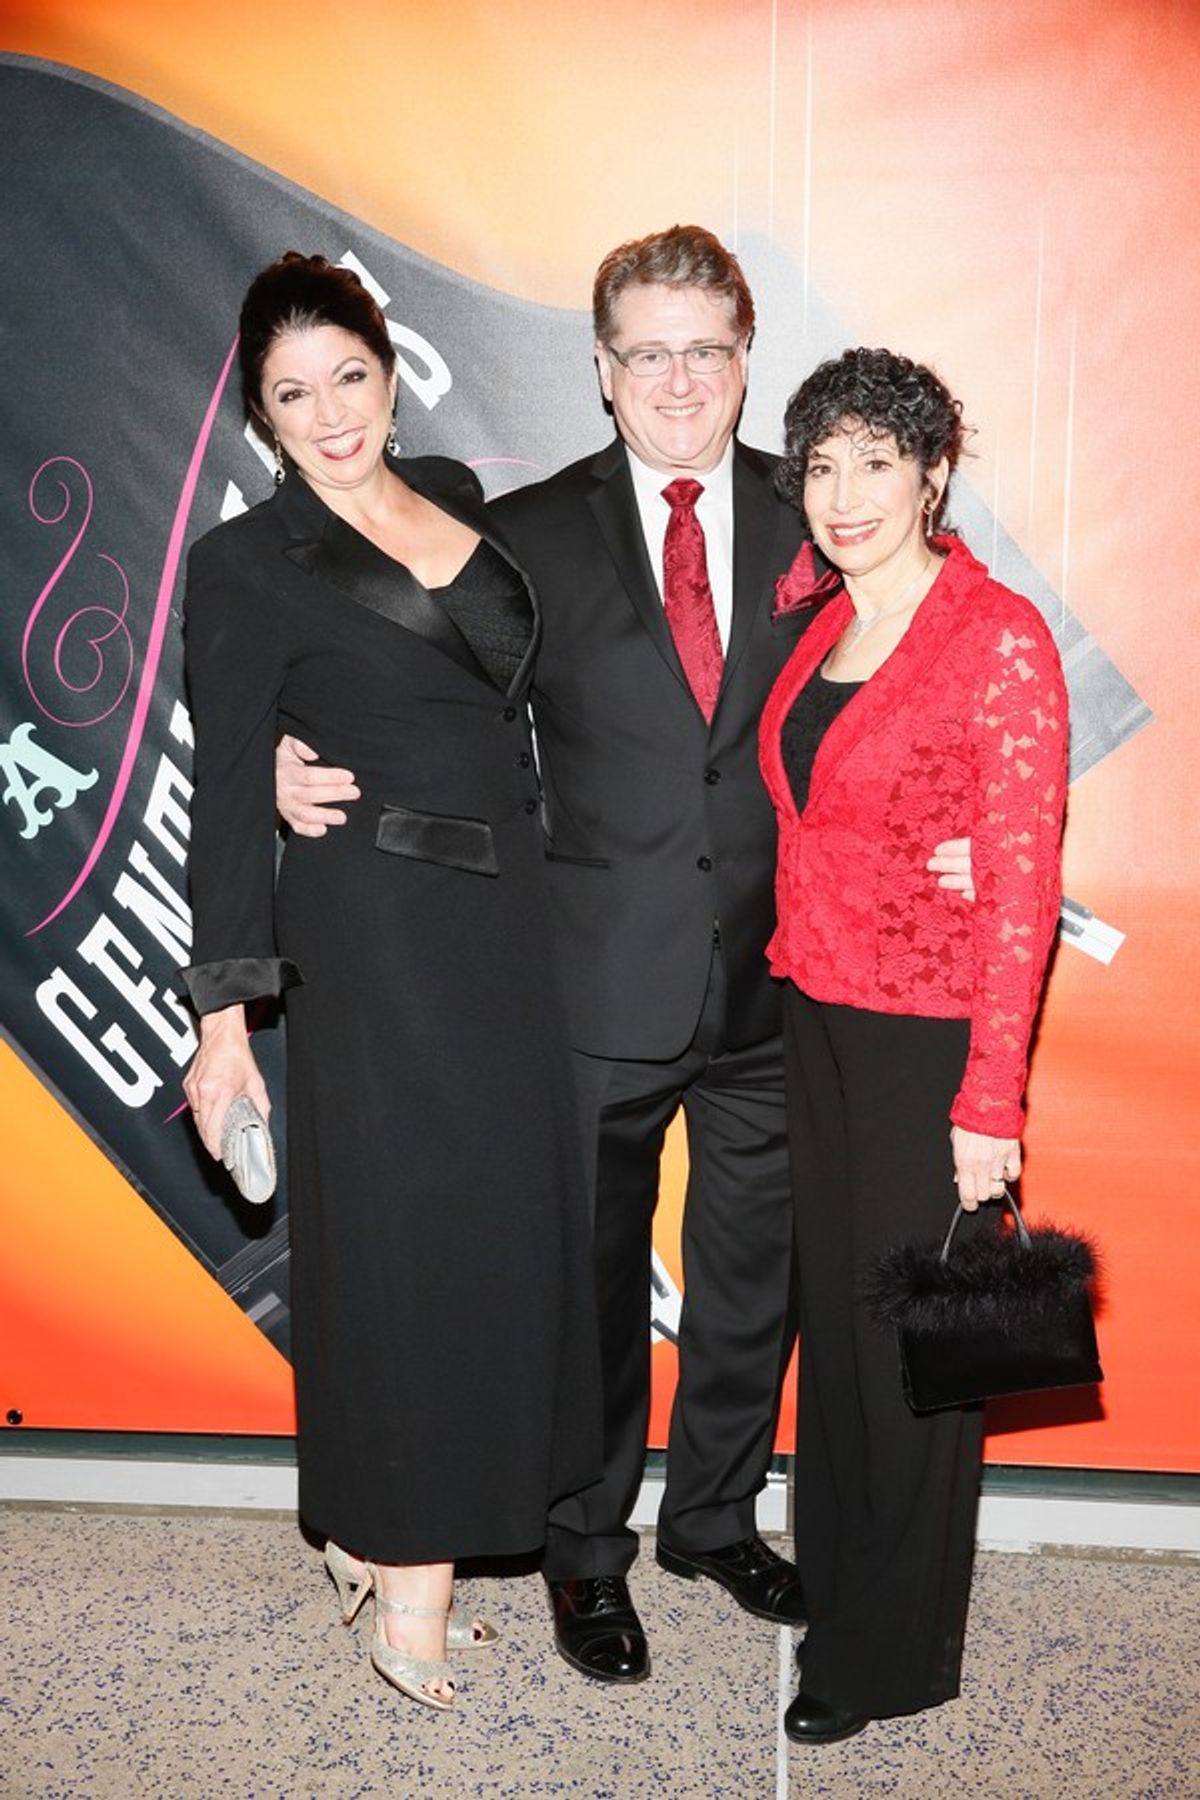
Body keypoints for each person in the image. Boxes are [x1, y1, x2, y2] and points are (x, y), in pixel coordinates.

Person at [276, 227, 976, 1685]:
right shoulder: (521, 534)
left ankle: (714, 1518)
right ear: (602, 369)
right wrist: (285, 754)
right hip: (588, 983)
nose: (678, 380)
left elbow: (947, 660)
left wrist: (970, 821)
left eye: (705, 350)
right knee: (586, 1290)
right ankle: (585, 1552)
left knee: (754, 1283)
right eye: (647, 352)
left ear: (744, 362)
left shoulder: (825, 511)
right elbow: (408, 683)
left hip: (785, 978)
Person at [180, 253, 600, 1712]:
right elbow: (222, 796)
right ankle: (412, 1575)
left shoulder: (460, 498)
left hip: (511, 926)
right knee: (406, 1245)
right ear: (262, 416)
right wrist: (223, 1026)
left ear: (390, 372)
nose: (331, 413)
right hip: (378, 936)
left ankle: (380, 1531)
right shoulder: (245, 563)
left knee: (494, 1239)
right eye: (292, 394)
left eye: (349, 376)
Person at [758, 347, 1068, 1744]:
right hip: (818, 1017)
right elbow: (822, 809)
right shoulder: (821, 618)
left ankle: (889, 1656)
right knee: (837, 1329)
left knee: (911, 1348)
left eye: (876, 462)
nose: (845, 493)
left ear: (934, 473)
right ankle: (840, 1586)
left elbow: (1022, 884)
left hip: (929, 1040)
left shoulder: (996, 636)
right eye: (822, 465)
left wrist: (989, 1100)